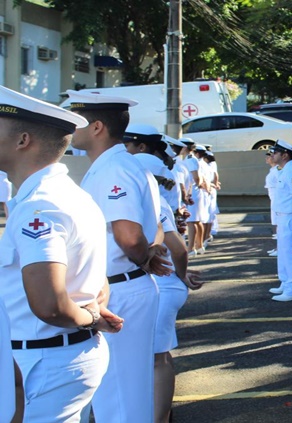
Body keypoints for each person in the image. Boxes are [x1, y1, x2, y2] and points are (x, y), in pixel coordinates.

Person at [0, 85, 124, 421]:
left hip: (47, 360)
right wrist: (93, 310)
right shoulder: (63, 193)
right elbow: (97, 281)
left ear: (23, 140)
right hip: (56, 356)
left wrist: (94, 319)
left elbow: (50, 305)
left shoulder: (39, 205)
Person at [67, 89, 170, 423]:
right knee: (117, 392)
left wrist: (141, 255)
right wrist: (144, 254)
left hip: (121, 287)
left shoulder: (114, 168)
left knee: (121, 397)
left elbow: (128, 236)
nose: (70, 127)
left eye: (76, 119)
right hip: (122, 282)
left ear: (96, 127)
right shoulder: (114, 164)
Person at [123, 126, 203, 422]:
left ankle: (159, 417)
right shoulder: (159, 203)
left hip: (161, 286)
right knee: (158, 358)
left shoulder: (149, 206)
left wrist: (180, 276)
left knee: (156, 360)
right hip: (166, 285)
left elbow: (178, 249)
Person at [269, 140, 292, 302]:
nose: (272, 155)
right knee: (283, 253)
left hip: (290, 217)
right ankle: (286, 282)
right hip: (282, 216)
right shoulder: (284, 170)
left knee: (291, 253)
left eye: (275, 153)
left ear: (284, 155)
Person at [187, 144, 212, 255]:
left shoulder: (192, 160)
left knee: (192, 221)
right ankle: (199, 245)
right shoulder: (201, 163)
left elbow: (197, 178)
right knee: (197, 221)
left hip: (194, 191)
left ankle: (191, 248)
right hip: (200, 191)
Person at [264, 151, 280, 259]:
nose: (268, 158)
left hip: (278, 201)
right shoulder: (273, 170)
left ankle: (280, 248)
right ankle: (277, 248)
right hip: (274, 200)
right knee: (276, 225)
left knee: (279, 226)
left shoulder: (279, 170)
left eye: (270, 156)